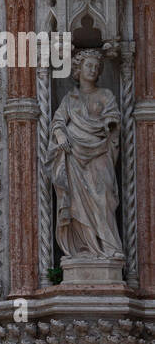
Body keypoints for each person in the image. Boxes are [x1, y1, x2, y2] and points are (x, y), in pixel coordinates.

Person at [47, 49, 123, 262]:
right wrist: (60, 134)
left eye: (96, 67)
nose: (93, 69)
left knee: (105, 197)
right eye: (88, 65)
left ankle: (109, 248)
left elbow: (113, 115)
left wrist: (110, 123)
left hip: (100, 153)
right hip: (74, 155)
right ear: (78, 69)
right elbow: (57, 121)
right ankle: (84, 248)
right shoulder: (69, 98)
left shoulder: (106, 94)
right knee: (76, 205)